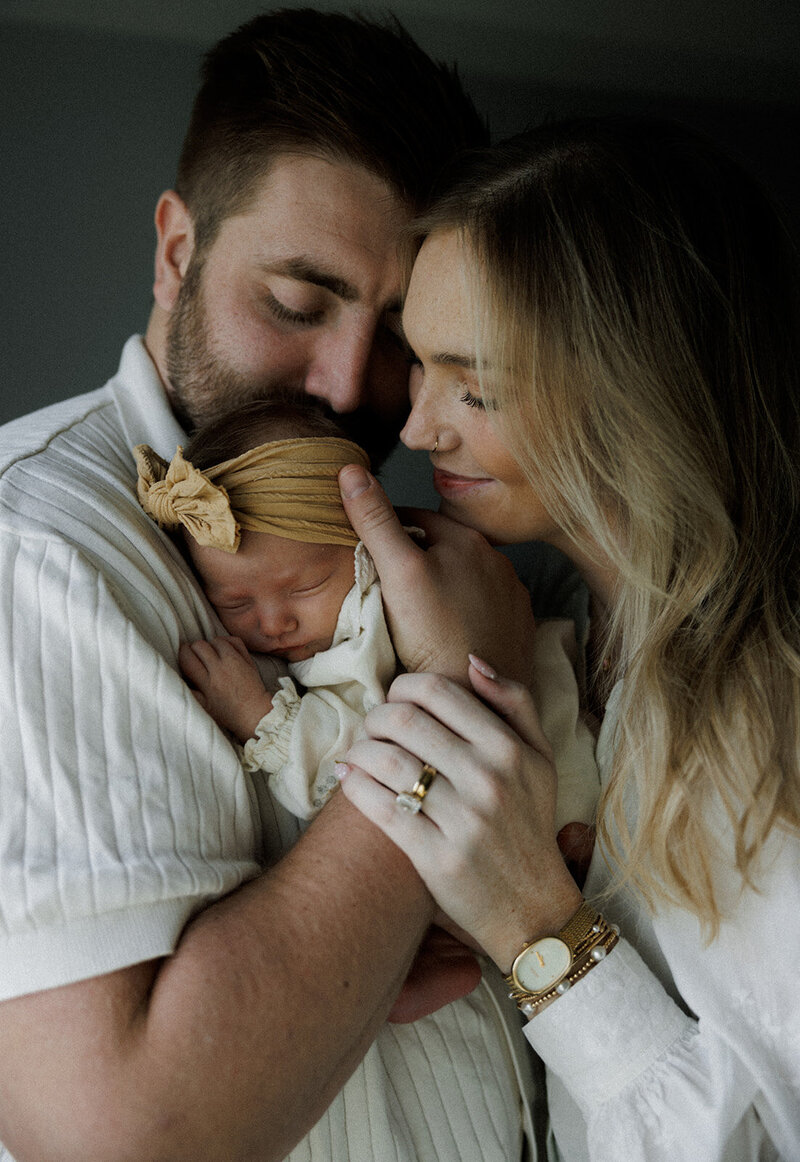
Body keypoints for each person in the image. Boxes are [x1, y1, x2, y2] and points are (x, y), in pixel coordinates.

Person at [0, 12, 558, 1161]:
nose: (352, 384)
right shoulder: (44, 551)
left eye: (399, 332)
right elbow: (132, 1130)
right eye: (297, 305)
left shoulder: (422, 535)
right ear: (175, 250)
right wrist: (448, 691)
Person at [336, 115, 800, 1161]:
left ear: (630, 385)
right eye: (418, 366)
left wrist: (533, 925)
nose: (415, 428)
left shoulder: (768, 707)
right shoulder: (568, 631)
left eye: (473, 385)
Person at [136, 397, 599, 832]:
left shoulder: (371, 621)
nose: (274, 623)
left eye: (306, 587)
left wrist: (258, 716)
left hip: (546, 806)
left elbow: (355, 774)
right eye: (235, 603)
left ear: (366, 546)